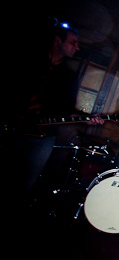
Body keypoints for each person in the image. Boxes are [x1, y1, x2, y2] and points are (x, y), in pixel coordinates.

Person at [8, 24, 105, 200]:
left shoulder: (69, 76)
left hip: (42, 136)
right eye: (73, 43)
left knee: (25, 184)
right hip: (13, 128)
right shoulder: (30, 61)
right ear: (57, 41)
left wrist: (85, 119)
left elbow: (67, 110)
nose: (77, 47)